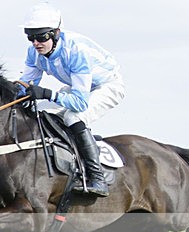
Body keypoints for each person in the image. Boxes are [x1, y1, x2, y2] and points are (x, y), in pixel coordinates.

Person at [18, 2, 125, 197]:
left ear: (56, 33)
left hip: (106, 86)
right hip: (78, 87)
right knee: (38, 111)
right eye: (31, 37)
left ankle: (97, 177)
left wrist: (48, 94)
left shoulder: (76, 51)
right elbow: (25, 85)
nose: (35, 43)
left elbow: (80, 103)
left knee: (73, 117)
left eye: (41, 36)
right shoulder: (34, 52)